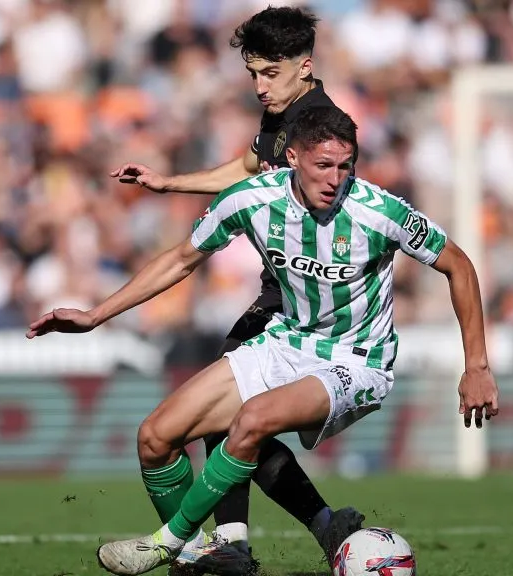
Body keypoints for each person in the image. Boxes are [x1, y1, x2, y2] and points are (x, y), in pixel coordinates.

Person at [28, 107, 500, 576]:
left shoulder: (379, 212)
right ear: (292, 157)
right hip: (285, 343)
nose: (336, 178)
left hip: (357, 361)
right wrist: (95, 315)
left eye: (345, 165)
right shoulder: (250, 199)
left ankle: (164, 544)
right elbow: (181, 259)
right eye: (322, 165)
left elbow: (458, 264)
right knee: (155, 437)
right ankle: (200, 559)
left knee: (252, 419)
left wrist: (476, 366)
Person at [108, 6, 362, 574]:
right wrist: (171, 182)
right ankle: (303, 529)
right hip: (281, 295)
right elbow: (249, 166)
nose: (258, 86)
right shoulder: (283, 119)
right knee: (237, 420)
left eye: (269, 72)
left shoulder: (322, 128)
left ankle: (229, 546)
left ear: (306, 66)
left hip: (305, 305)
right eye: (252, 74)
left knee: (233, 418)